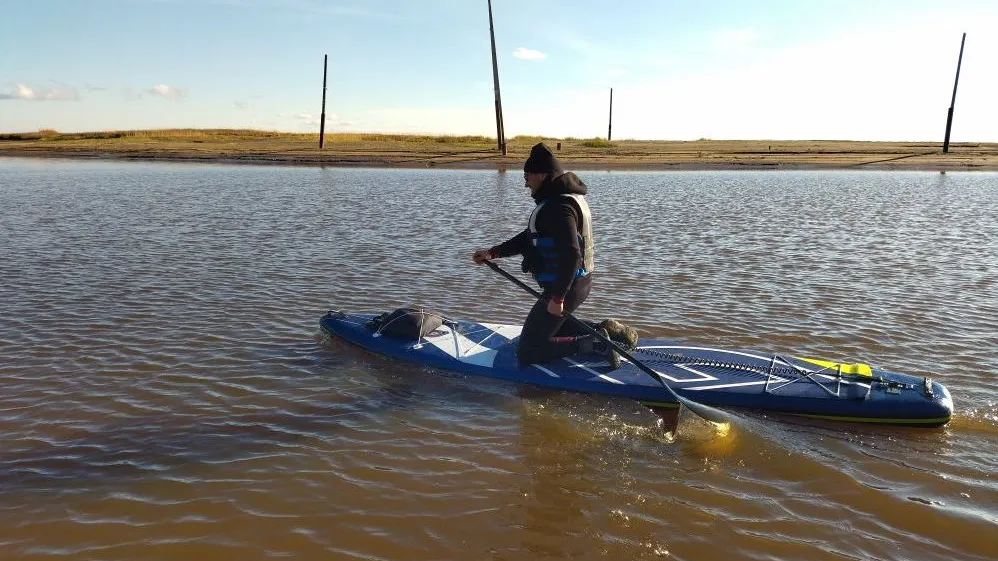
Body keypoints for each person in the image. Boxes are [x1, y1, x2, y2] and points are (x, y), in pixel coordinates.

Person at [472, 142, 637, 369]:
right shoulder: (561, 200)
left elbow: (572, 254)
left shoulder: (559, 207)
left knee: (528, 350)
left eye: (527, 174)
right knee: (554, 325)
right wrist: (493, 253)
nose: (525, 180)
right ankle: (606, 331)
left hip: (567, 287)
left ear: (542, 175)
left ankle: (593, 344)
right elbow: (530, 237)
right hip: (578, 283)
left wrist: (557, 298)